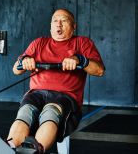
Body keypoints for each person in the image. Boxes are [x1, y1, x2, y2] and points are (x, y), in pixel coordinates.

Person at [6, 9, 105, 153]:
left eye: (64, 20)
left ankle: (35, 151)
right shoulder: (39, 43)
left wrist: (80, 60)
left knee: (50, 111)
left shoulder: (82, 43)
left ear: (73, 26)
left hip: (64, 97)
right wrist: (25, 61)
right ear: (50, 26)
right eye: (55, 21)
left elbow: (99, 70)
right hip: (36, 94)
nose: (58, 24)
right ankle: (10, 149)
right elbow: (16, 70)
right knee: (25, 113)